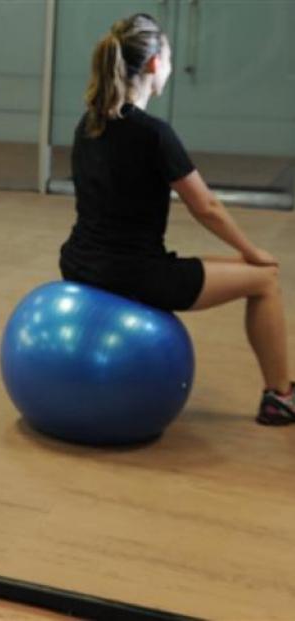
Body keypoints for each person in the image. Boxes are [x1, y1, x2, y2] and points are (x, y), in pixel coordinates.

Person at [59, 14, 294, 425]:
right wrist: (251, 251)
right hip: (136, 275)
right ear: (153, 65)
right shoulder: (153, 134)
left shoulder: (88, 124)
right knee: (265, 279)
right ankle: (281, 396)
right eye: (167, 57)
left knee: (235, 268)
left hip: (79, 264)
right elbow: (207, 208)